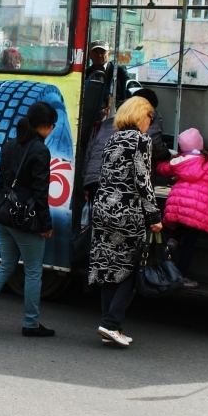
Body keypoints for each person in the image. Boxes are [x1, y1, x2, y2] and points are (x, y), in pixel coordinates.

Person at [0, 101, 59, 338]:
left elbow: (0, 183)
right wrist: (46, 224)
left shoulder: (10, 145)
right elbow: (40, 191)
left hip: (5, 215)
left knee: (6, 265)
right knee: (32, 271)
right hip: (25, 220)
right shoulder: (40, 150)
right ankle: (31, 323)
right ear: (46, 126)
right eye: (52, 126)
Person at [88, 95, 162, 348]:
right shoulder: (141, 140)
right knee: (131, 268)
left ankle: (111, 325)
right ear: (141, 115)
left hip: (102, 210)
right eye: (150, 117)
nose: (150, 123)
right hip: (126, 213)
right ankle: (110, 323)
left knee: (110, 268)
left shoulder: (114, 138)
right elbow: (143, 180)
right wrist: (154, 216)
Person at [157, 128, 208, 289]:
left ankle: (173, 239)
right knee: (190, 241)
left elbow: (162, 169)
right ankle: (181, 276)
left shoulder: (179, 161)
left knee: (181, 220)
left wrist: (162, 160)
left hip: (178, 202)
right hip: (200, 207)